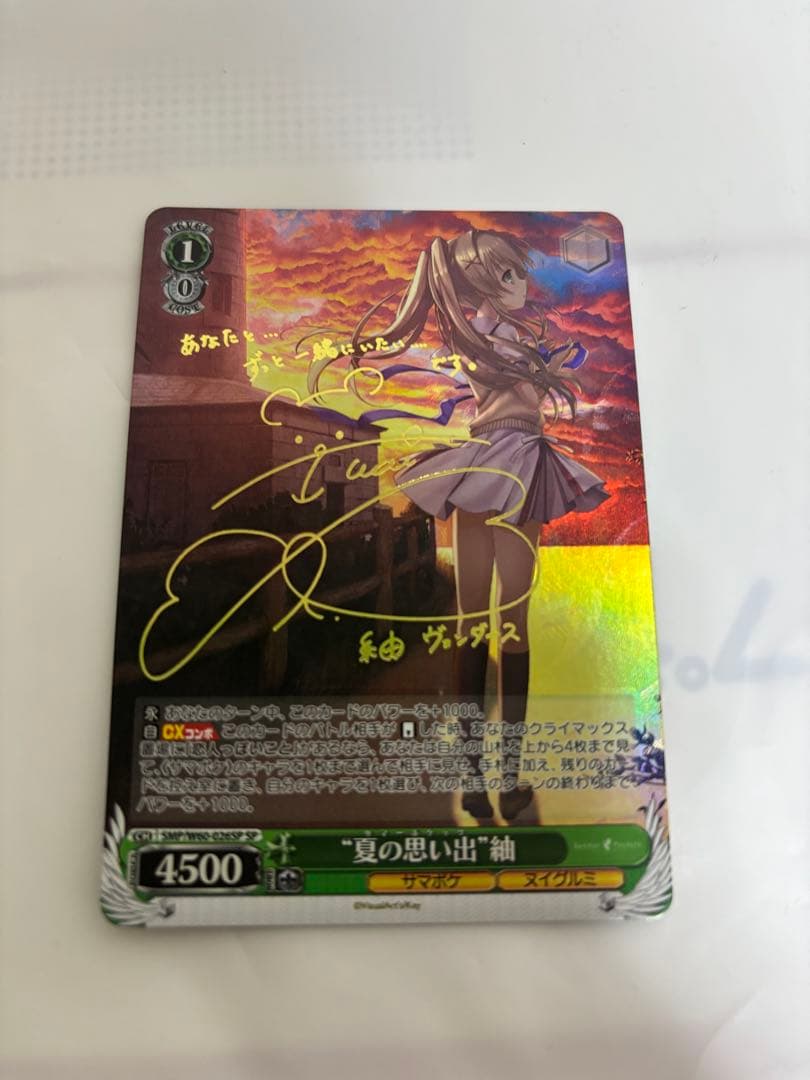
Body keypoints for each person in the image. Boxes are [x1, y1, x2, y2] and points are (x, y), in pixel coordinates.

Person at [308, 228, 609, 821]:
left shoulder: (491, 336)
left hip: (490, 465)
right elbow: (525, 378)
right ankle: (495, 779)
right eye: (507, 274)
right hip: (512, 464)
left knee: (483, 620)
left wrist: (548, 361)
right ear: (479, 283)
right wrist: (550, 364)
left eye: (517, 272)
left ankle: (487, 779)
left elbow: (532, 374)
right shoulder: (486, 340)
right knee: (498, 622)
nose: (520, 283)